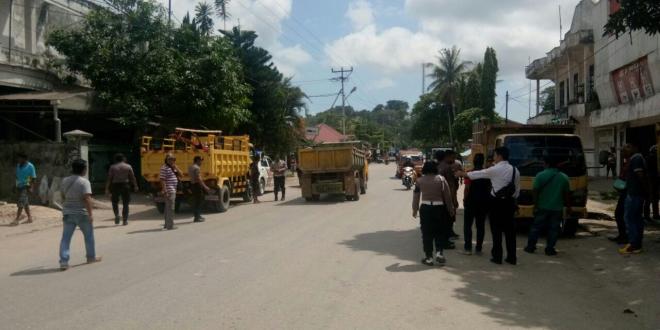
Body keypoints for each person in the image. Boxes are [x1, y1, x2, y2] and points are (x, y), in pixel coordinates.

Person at [457, 147, 520, 265]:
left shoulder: (494, 169)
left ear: (500, 156)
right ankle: (512, 257)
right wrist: (515, 205)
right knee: (510, 232)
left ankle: (497, 256)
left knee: (496, 231)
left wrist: (463, 173)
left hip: (496, 203)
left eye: (495, 155)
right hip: (510, 203)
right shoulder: (515, 170)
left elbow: (478, 174)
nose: (494, 157)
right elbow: (517, 191)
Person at [524, 154, 571, 256]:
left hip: (542, 207)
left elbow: (535, 191)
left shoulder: (540, 175)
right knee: (554, 229)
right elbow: (567, 195)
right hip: (557, 208)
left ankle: (530, 247)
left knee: (536, 227)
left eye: (544, 163)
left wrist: (535, 205)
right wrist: (568, 207)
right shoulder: (564, 177)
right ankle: (550, 249)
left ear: (547, 164)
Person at [59, 159, 101, 270]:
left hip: (68, 213)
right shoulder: (84, 182)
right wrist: (91, 214)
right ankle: (91, 257)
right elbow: (87, 199)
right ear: (83, 169)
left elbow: (62, 196)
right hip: (82, 213)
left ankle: (64, 262)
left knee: (65, 238)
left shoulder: (64, 181)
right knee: (89, 236)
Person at [412, 161, 456, 266]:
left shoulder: (419, 181)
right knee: (439, 231)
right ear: (435, 169)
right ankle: (439, 253)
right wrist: (451, 210)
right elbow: (448, 197)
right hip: (439, 208)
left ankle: (429, 258)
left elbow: (416, 196)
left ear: (425, 169)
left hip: (425, 208)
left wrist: (415, 209)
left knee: (426, 233)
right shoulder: (441, 179)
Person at [619, 142, 647, 254]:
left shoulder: (636, 158)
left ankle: (633, 244)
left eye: (626, 147)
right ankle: (637, 244)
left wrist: (644, 191)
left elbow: (641, 176)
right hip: (635, 194)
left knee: (630, 219)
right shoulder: (634, 158)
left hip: (635, 194)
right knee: (636, 219)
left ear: (633, 147)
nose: (623, 150)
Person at [462, 153, 491, 255]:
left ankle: (468, 248)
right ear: (482, 162)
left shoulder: (470, 173)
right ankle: (478, 249)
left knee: (467, 225)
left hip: (471, 202)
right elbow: (489, 189)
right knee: (480, 226)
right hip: (483, 203)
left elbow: (467, 188)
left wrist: (464, 199)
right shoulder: (487, 174)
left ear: (474, 161)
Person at [105, 153, 138, 226]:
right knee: (126, 203)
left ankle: (117, 215)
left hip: (115, 185)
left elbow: (109, 178)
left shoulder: (112, 167)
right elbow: (132, 177)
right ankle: (125, 220)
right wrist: (135, 186)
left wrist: (107, 188)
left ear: (115, 159)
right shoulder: (128, 166)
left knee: (114, 202)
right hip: (125, 185)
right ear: (123, 158)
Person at [609, 155, 629, 244]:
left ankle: (625, 236)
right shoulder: (627, 162)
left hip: (628, 193)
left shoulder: (633, 161)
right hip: (624, 192)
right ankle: (622, 235)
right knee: (619, 214)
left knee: (621, 214)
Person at [12, 153, 37, 226]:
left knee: (20, 202)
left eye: (20, 158)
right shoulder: (18, 165)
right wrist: (14, 185)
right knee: (25, 202)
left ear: (24, 159)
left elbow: (33, 177)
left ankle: (17, 219)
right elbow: (17, 176)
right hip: (19, 186)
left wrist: (31, 187)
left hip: (26, 186)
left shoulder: (30, 166)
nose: (18, 160)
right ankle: (29, 218)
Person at [160, 154, 181, 230]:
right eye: (170, 159)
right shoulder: (164, 168)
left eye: (173, 159)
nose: (172, 161)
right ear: (166, 160)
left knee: (168, 208)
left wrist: (176, 167)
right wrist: (165, 190)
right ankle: (170, 226)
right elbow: (162, 180)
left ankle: (167, 225)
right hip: (169, 190)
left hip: (173, 189)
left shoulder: (173, 168)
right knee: (170, 208)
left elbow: (181, 174)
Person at [189, 156, 210, 223]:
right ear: (197, 160)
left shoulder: (191, 167)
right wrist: (205, 186)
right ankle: (197, 217)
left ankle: (198, 216)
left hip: (192, 185)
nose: (201, 162)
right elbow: (198, 179)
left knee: (196, 201)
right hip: (197, 185)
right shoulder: (197, 168)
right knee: (199, 202)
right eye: (201, 160)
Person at [643, 145, 659, 221]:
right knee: (651, 198)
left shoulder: (648, 158)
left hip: (652, 179)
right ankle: (651, 215)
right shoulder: (651, 158)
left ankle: (649, 215)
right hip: (651, 179)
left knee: (651, 198)